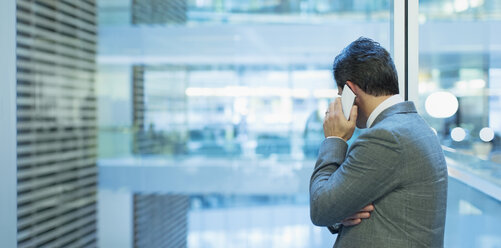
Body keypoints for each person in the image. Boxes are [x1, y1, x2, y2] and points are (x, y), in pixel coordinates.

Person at [309, 37, 448, 247]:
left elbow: (320, 208)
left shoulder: (384, 138)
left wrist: (334, 139)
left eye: (341, 96)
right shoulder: (415, 126)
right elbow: (342, 201)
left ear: (350, 91)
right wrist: (339, 212)